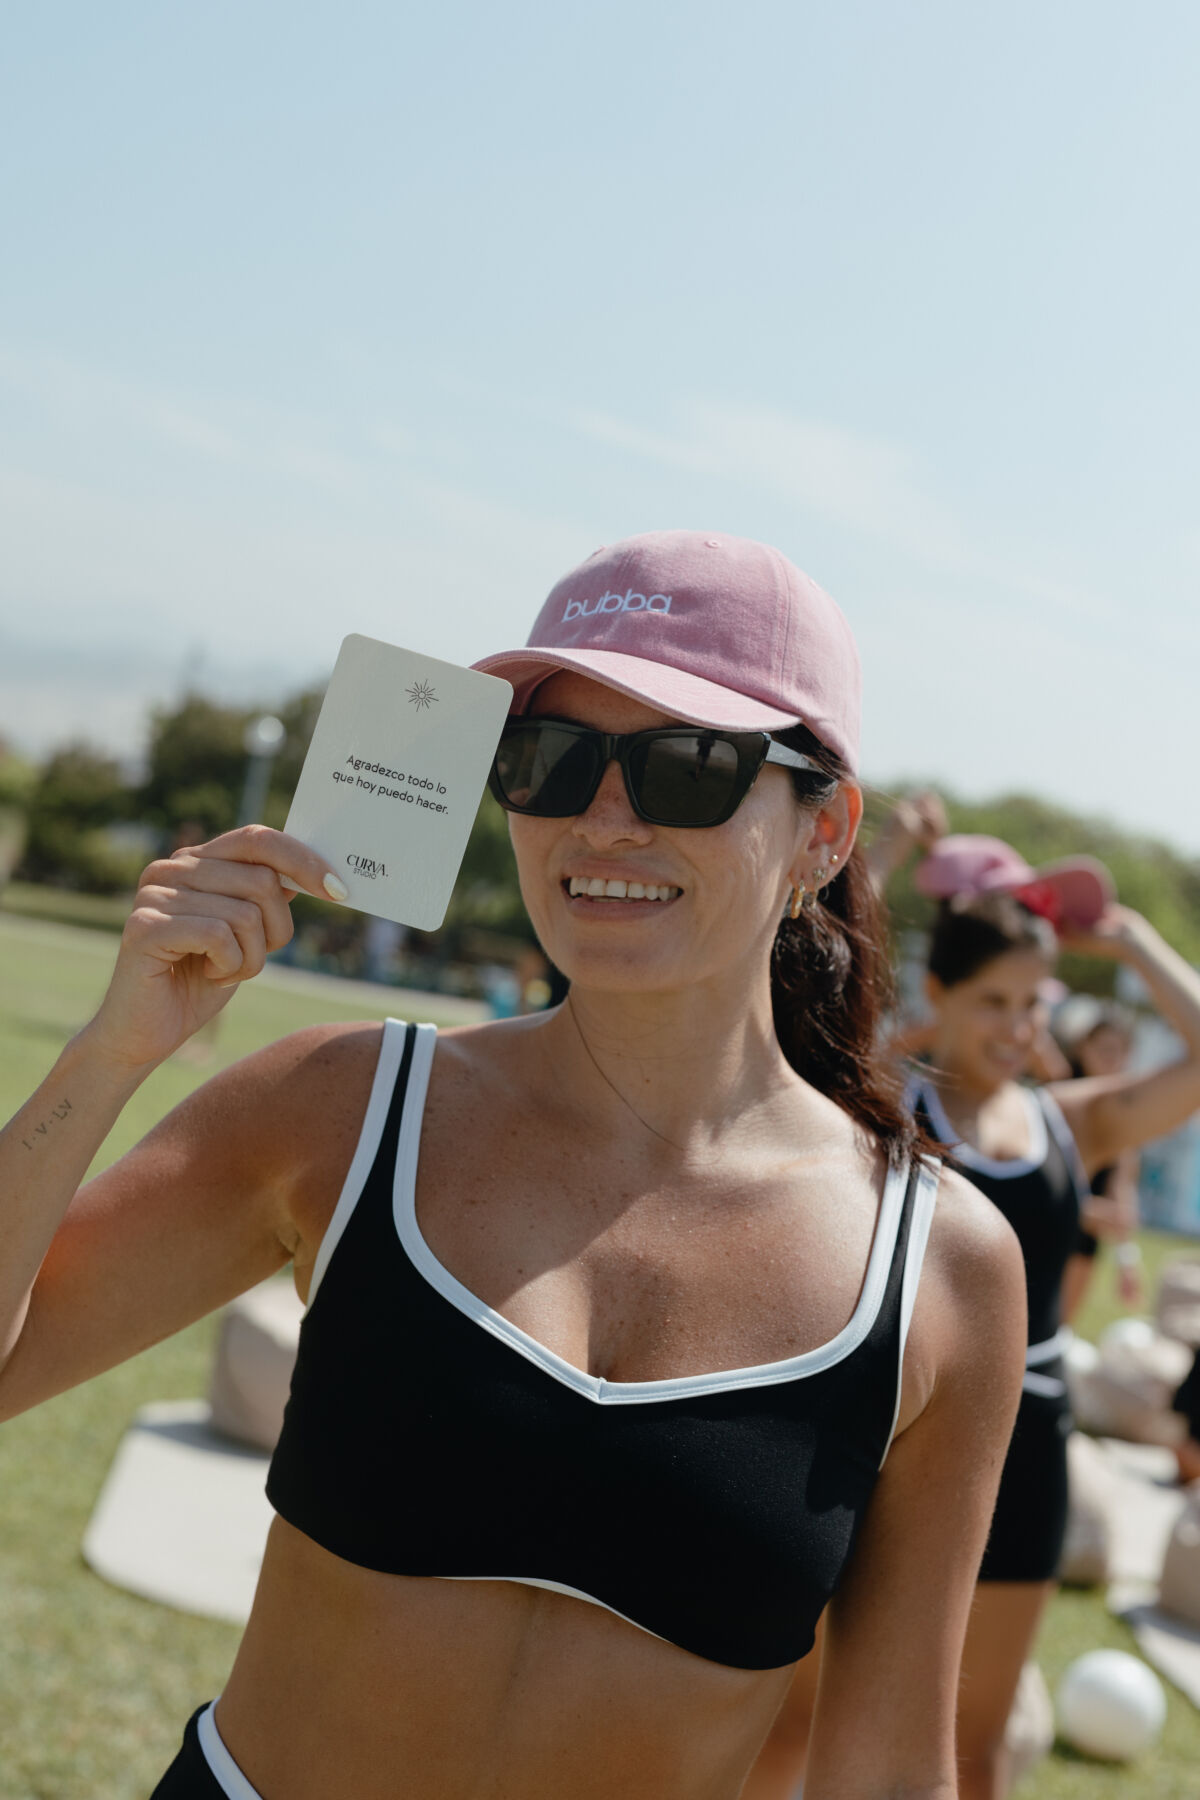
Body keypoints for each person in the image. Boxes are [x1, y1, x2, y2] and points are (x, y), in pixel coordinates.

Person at [0, 532, 1026, 1800]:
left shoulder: (940, 1268)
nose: (604, 817)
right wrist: (109, 1057)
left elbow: (885, 1772)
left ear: (825, 831)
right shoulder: (347, 1106)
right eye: (550, 762)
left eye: (688, 768)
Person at [748, 831, 1200, 1800]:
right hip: (883, 1434)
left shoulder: (1069, 1124)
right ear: (938, 994)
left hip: (1029, 1442)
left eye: (1033, 1003)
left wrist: (1123, 942)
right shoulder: (879, 1109)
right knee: (799, 1723)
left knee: (978, 1745)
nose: (1016, 1025)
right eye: (992, 999)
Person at [1050, 994, 1144, 1320]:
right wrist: (1086, 1211)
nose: (1111, 1058)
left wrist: (1127, 1260)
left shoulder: (1125, 1117)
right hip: (1042, 1227)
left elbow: (1122, 1190)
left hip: (1084, 1242)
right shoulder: (1056, 1099)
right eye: (1103, 1049)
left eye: (1119, 1052)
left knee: (1060, 1326)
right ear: (1083, 1049)